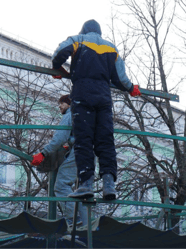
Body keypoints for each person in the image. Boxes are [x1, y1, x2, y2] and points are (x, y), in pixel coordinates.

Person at [51, 19, 142, 200]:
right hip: (103, 98)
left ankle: (86, 184)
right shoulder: (111, 48)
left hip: (83, 95)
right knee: (105, 140)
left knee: (84, 139)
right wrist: (132, 88)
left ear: (84, 29)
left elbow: (59, 53)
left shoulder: (79, 39)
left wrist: (57, 68)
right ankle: (109, 185)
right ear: (100, 32)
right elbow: (120, 78)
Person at [31, 95, 87, 226]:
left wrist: (43, 153)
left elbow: (60, 137)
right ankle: (85, 223)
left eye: (62, 103)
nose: (59, 106)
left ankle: (73, 219)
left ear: (69, 104)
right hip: (89, 151)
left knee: (61, 185)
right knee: (83, 191)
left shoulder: (70, 115)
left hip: (81, 149)